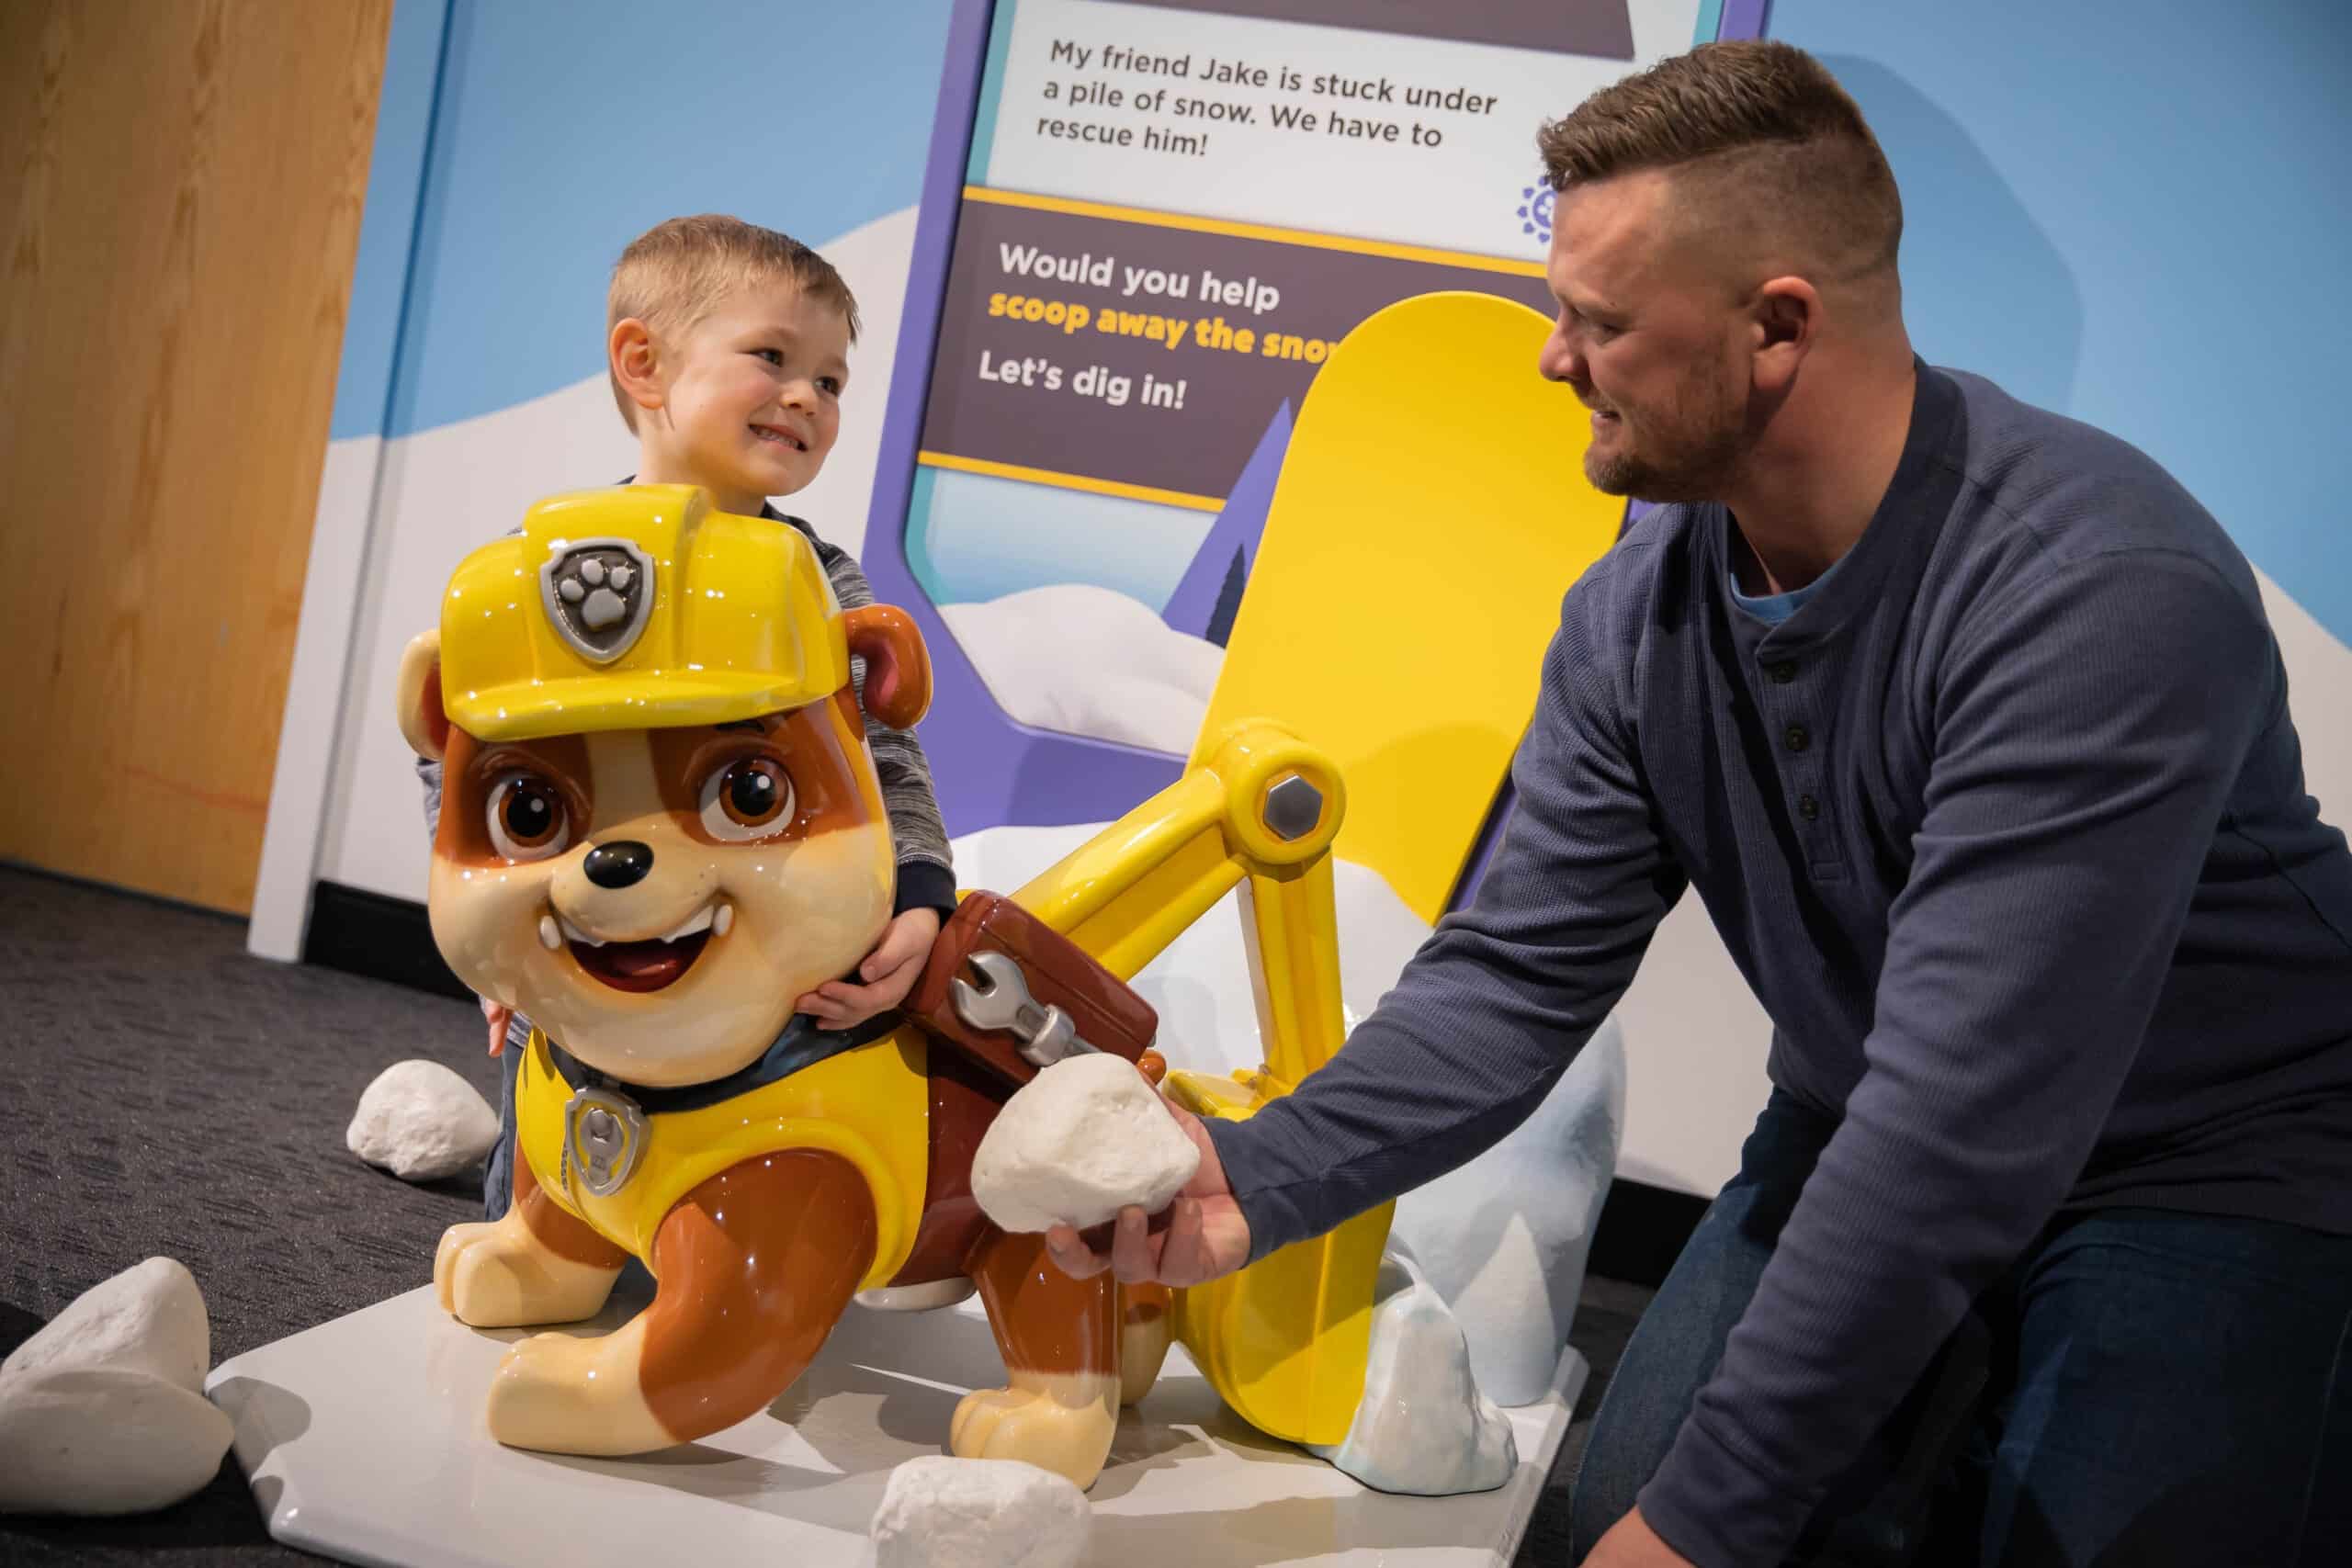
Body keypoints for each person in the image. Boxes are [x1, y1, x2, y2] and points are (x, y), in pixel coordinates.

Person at [1046, 39, 2352, 1567]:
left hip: (2216, 1156)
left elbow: (1957, 1132)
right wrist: (1250, 1179)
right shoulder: (1635, 614)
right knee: (1623, 1494)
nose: (1552, 357)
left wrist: (1700, 1529)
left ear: (1775, 328)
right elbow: (1513, 975)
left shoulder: (2095, 598)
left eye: (1595, 321)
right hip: (1869, 1113)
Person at [417, 214, 957, 1222]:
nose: (807, 396)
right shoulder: (542, 569)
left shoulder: (821, 582)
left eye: (832, 381)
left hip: (761, 985)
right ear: (644, 363)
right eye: (772, 357)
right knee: (544, 1215)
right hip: (577, 973)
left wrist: (920, 898)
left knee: (754, 1205)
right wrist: (492, 945)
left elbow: (884, 752)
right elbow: (464, 760)